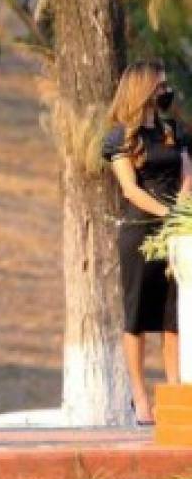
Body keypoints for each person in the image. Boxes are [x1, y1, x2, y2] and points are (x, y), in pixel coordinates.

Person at [103, 60, 190, 425]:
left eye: (165, 85)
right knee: (138, 315)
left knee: (174, 318)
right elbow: (130, 189)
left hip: (178, 233)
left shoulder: (174, 130)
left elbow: (187, 174)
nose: (165, 91)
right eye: (159, 85)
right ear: (142, 88)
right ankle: (140, 398)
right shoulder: (120, 137)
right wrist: (167, 215)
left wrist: (183, 212)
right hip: (140, 232)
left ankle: (175, 392)